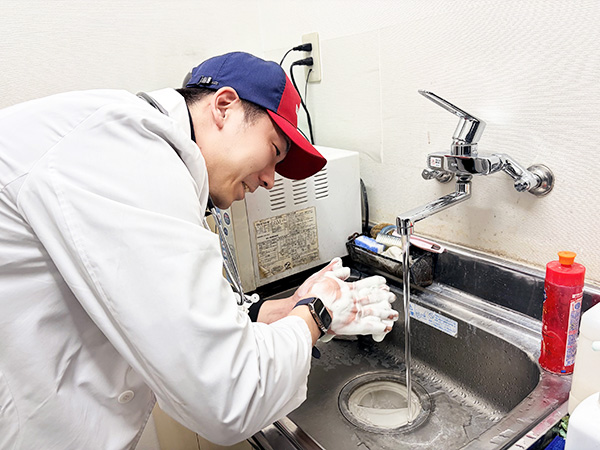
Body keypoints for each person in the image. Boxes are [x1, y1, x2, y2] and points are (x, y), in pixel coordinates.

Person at [0, 51, 398, 449]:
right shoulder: (130, 150)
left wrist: (289, 308)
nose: (270, 181)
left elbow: (180, 311)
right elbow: (229, 397)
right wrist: (316, 312)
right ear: (224, 106)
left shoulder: (138, 150)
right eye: (274, 152)